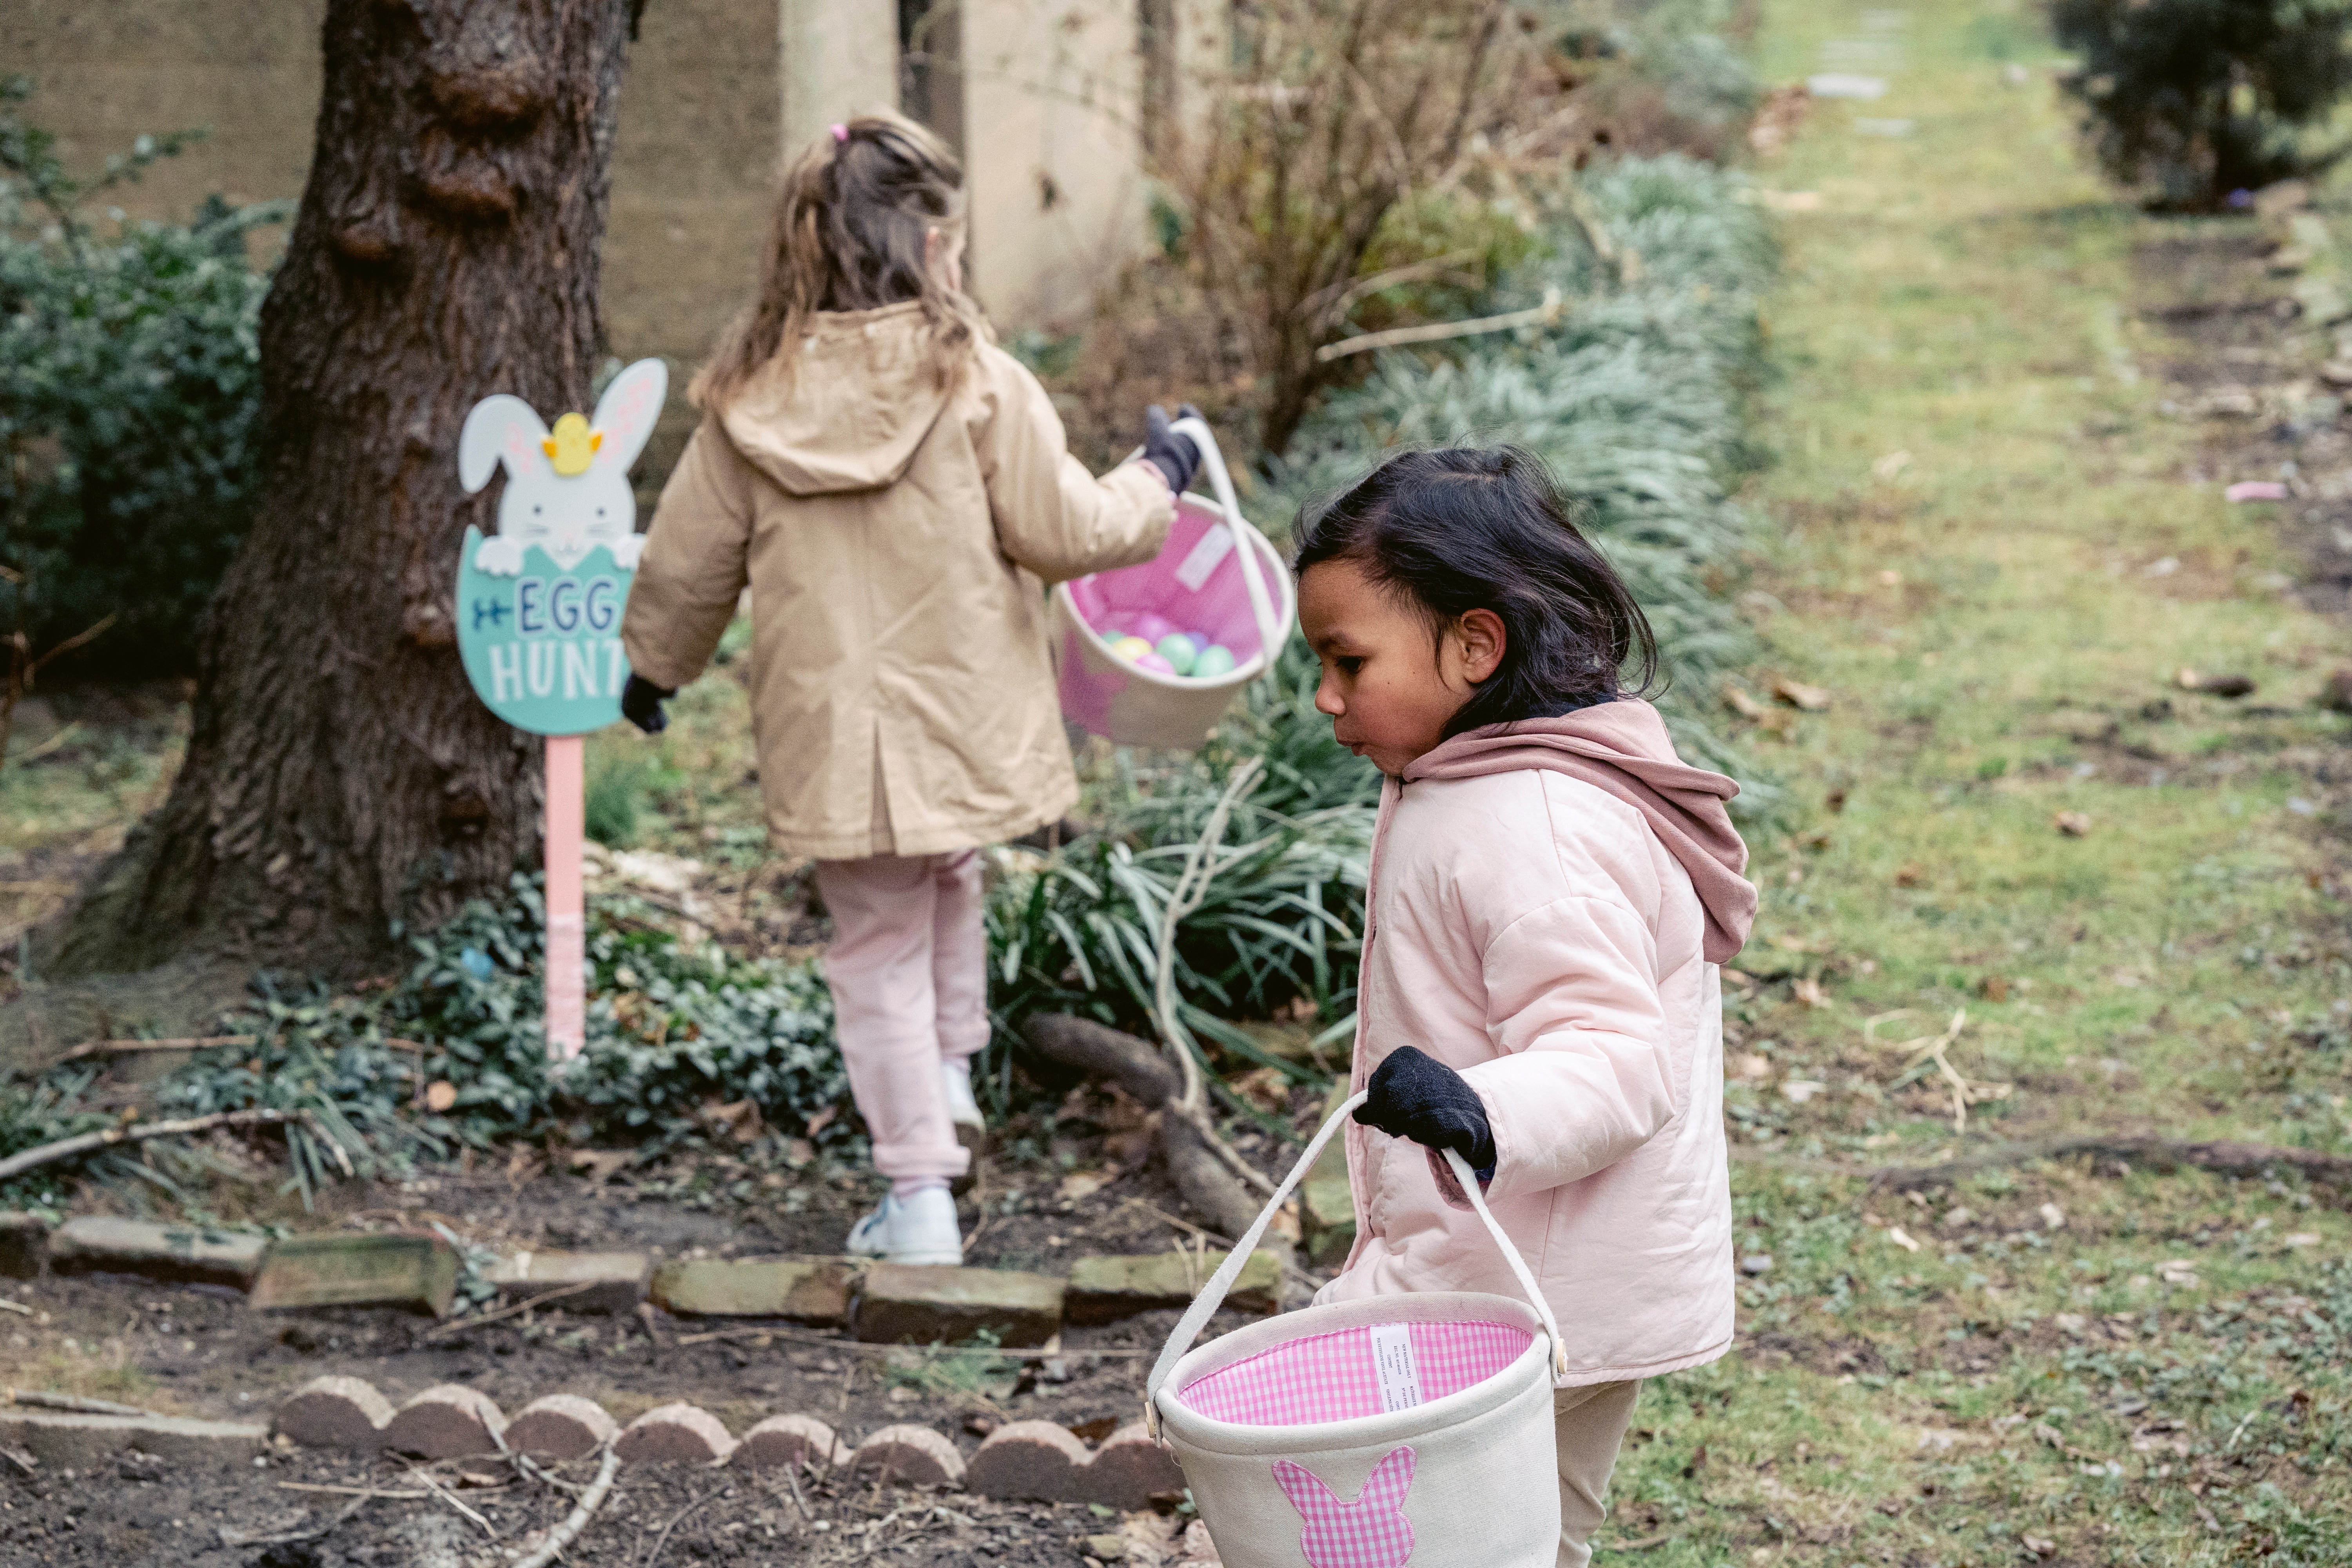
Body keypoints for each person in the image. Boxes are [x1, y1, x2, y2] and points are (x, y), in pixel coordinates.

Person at [617, 113, 1198, 1266]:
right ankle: (932, 1145)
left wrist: (652, 669)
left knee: (882, 932)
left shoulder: (745, 402)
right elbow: (1068, 528)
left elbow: (685, 564)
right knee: (948, 875)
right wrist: (1161, 474)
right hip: (965, 712)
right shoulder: (979, 383)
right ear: (937, 249)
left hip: (835, 733)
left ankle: (928, 1141)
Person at [1292, 446, 1757, 1568]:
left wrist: (1476, 1108)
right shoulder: (1473, 779)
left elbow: (1612, 1055)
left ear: (1474, 644)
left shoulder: (1534, 823)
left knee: (1502, 1539)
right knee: (1479, 1535)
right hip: (1505, 1260)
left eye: (1349, 661)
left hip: (1544, 1288)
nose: (1325, 697)